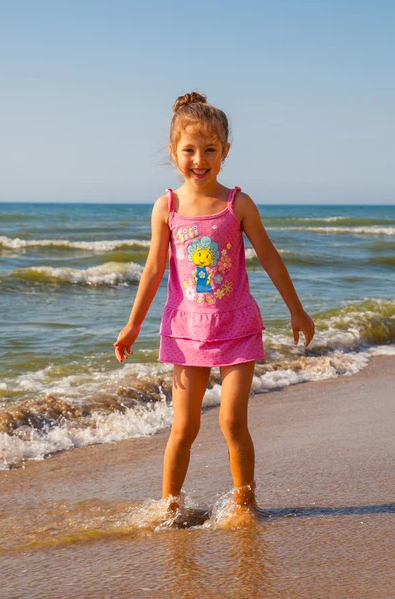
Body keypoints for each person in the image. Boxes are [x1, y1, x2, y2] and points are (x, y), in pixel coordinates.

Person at [114, 91, 315, 516]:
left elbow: (269, 256)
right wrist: (133, 325)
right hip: (187, 330)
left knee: (232, 423)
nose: (199, 160)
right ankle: (169, 509)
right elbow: (152, 270)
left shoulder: (237, 204)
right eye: (189, 150)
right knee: (184, 427)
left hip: (237, 325)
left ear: (225, 151)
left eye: (210, 150)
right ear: (174, 152)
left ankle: (246, 505)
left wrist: (296, 310)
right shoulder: (165, 207)